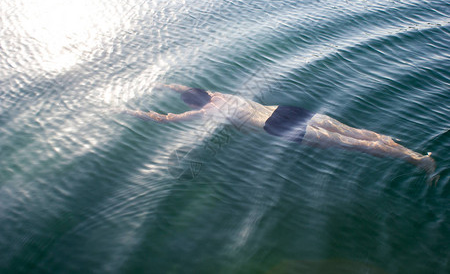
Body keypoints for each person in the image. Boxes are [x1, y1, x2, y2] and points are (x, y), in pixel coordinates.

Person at [124, 84, 436, 177]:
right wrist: (164, 83)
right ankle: (404, 148)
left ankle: (419, 160)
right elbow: (188, 88)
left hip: (276, 125)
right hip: (283, 110)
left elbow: (164, 118)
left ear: (194, 102)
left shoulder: (204, 111)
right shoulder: (219, 96)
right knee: (357, 132)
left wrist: (129, 111)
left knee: (351, 145)